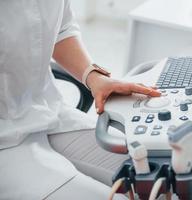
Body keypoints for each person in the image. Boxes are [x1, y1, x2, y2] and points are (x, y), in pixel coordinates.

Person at [0, 1, 160, 200]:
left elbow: (61, 29)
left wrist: (94, 76)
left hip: (47, 112)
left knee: (161, 182)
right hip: (5, 144)